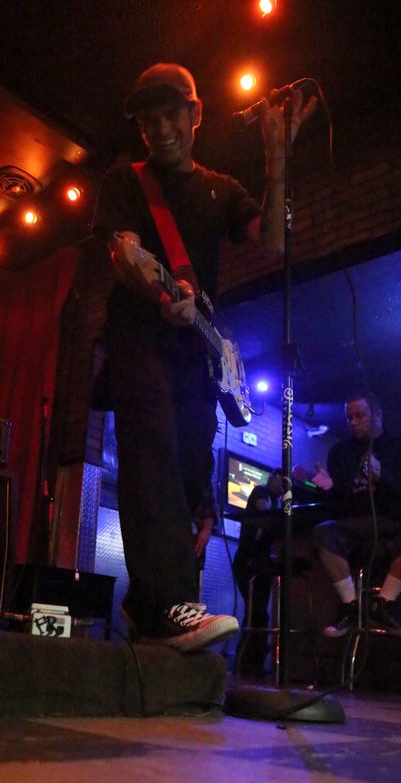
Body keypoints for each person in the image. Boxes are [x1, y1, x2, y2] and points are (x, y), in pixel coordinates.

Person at [92, 62, 316, 651]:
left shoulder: (220, 188)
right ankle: (167, 604)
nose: (160, 129)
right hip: (139, 337)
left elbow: (273, 242)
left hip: (197, 352)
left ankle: (155, 608)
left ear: (196, 114)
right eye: (148, 120)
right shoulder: (124, 181)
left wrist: (276, 159)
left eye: (171, 115)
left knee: (191, 468)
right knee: (152, 451)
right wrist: (161, 295)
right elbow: (125, 253)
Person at [313, 392, 401, 636]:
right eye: (349, 417)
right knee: (323, 533)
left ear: (378, 415)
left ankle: (384, 604)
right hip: (354, 525)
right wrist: (328, 488)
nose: (352, 422)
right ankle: (350, 607)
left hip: (392, 521)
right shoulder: (341, 452)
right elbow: (338, 504)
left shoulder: (396, 448)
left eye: (360, 416)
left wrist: (382, 478)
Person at [232, 468, 283, 675]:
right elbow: (264, 516)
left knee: (257, 611)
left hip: (254, 561)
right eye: (281, 482)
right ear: (274, 478)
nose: (283, 487)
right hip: (249, 561)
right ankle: (248, 663)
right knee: (257, 611)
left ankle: (249, 662)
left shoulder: (274, 500)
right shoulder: (261, 492)